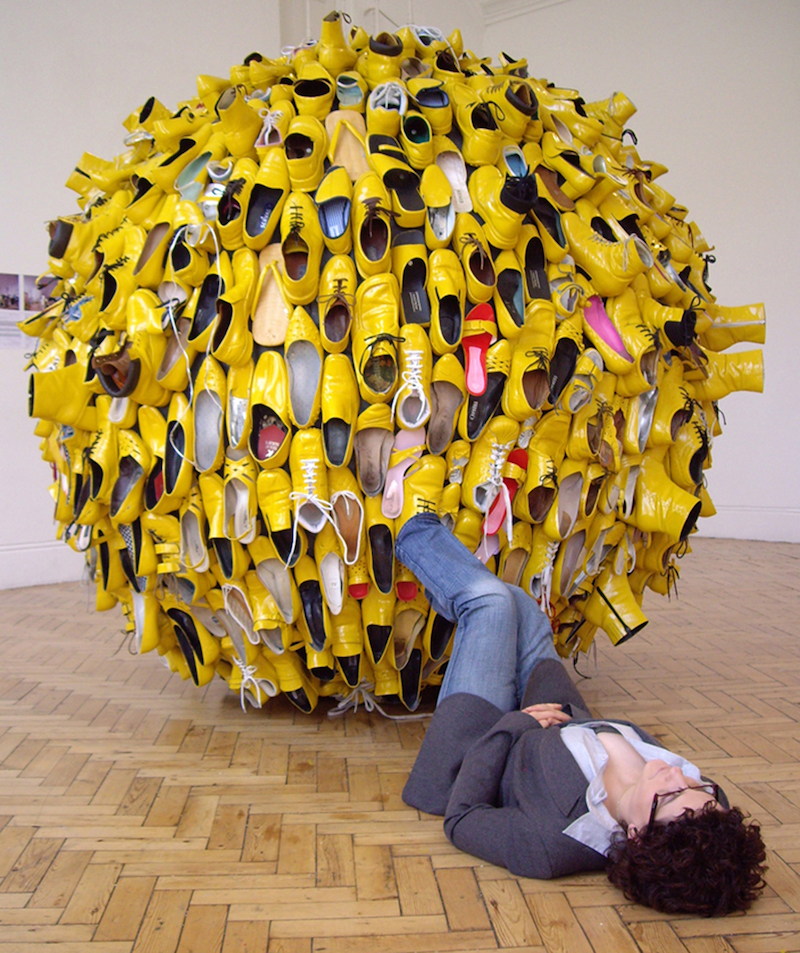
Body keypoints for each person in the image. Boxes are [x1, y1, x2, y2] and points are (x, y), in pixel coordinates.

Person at [394, 464, 767, 918]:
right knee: (522, 610)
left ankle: (412, 529)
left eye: (671, 795)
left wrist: (517, 723)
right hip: (556, 705)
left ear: (637, 836)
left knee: (490, 605)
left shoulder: (550, 846)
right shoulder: (705, 816)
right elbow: (711, 839)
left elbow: (462, 818)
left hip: (484, 738)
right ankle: (454, 569)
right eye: (696, 785)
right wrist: (690, 796)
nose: (677, 776)